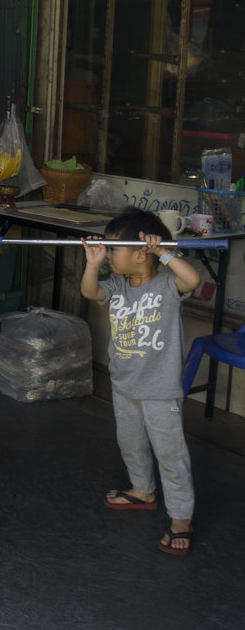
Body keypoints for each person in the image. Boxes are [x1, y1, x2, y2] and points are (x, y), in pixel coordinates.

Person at [80, 208, 200, 555]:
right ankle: (142, 490)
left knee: (170, 455)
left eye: (113, 249)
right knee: (130, 442)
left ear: (141, 251)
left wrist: (164, 251)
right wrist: (93, 261)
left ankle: (181, 518)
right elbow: (90, 292)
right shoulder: (116, 285)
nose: (110, 255)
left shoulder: (166, 284)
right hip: (124, 383)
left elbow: (192, 280)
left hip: (160, 390)